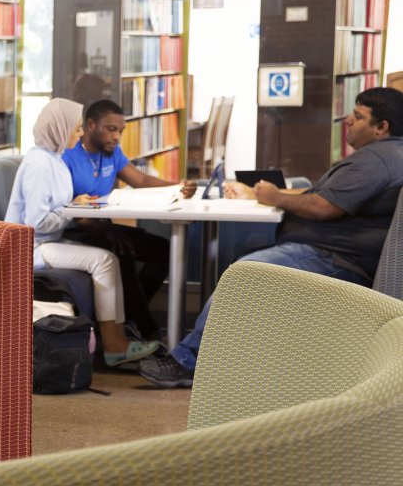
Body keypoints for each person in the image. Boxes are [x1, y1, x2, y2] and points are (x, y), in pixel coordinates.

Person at [140, 87, 403, 388]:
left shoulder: (375, 161)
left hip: (332, 257)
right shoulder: (390, 155)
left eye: (358, 117)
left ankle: (187, 363)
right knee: (245, 260)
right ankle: (216, 355)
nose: (348, 122)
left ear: (381, 128)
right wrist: (258, 194)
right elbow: (325, 195)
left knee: (242, 275)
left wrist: (275, 197)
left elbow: (324, 207)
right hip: (333, 253)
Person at [5, 98, 162, 366]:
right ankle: (113, 343)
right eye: (76, 128)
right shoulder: (40, 165)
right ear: (59, 127)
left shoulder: (53, 160)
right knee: (104, 260)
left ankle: (116, 338)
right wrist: (71, 209)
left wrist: (75, 206)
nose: (79, 136)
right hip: (29, 247)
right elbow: (35, 223)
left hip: (48, 240)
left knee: (107, 257)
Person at [60, 99, 198, 340]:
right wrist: (105, 231)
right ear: (90, 125)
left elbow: (141, 181)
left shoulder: (111, 153)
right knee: (121, 251)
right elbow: (70, 211)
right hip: (74, 229)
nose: (116, 137)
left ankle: (130, 318)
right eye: (111, 129)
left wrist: (178, 186)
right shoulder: (67, 156)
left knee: (164, 250)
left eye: (121, 131)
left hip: (102, 227)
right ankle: (148, 331)